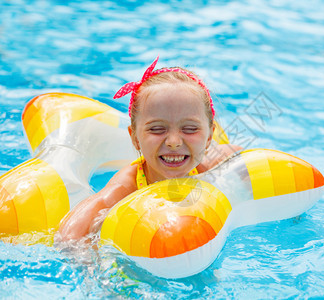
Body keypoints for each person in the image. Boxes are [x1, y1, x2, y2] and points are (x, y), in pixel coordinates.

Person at [58, 56, 241, 241]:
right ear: (135, 138)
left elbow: (240, 155)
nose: (174, 141)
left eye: (189, 129)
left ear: (209, 136)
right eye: (157, 129)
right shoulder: (127, 187)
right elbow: (71, 232)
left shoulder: (205, 167)